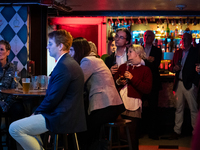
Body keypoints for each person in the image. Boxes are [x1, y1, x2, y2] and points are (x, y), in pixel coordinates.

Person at [9, 30, 87, 150]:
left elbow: (53, 98)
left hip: (61, 116)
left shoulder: (64, 65)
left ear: (60, 46)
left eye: (50, 43)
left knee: (14, 128)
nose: (47, 46)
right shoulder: (67, 62)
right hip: (67, 114)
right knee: (27, 127)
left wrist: (36, 113)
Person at [69, 37, 125, 150]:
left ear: (78, 50)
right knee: (84, 126)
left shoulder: (88, 61)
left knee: (82, 128)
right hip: (113, 105)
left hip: (105, 106)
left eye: (72, 50)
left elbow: (77, 82)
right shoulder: (95, 59)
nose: (70, 53)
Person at [114, 44, 152, 150]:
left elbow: (147, 89)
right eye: (128, 51)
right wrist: (118, 81)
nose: (127, 53)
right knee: (120, 133)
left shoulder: (145, 70)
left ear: (138, 53)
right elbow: (114, 83)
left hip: (133, 104)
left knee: (132, 134)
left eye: (130, 51)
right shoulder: (123, 67)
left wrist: (132, 78)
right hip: (119, 103)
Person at [169, 33, 200, 139]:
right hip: (179, 83)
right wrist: (174, 68)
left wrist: (195, 83)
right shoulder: (178, 52)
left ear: (191, 40)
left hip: (190, 84)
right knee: (179, 108)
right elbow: (171, 66)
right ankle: (177, 131)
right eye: (183, 39)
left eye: (187, 39)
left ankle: (196, 133)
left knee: (193, 109)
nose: (185, 40)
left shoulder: (196, 52)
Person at [0, 40, 25, 150]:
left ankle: (13, 144)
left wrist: (6, 104)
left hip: (8, 102)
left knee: (19, 108)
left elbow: (14, 88)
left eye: (1, 49)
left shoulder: (12, 68)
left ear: (8, 52)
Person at [142, 30, 162, 140]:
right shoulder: (139, 49)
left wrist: (145, 61)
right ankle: (140, 130)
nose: (147, 37)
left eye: (149, 35)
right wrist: (149, 60)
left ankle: (152, 132)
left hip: (153, 83)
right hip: (141, 82)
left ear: (153, 38)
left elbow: (156, 65)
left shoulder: (157, 51)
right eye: (145, 35)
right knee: (139, 108)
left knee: (153, 109)